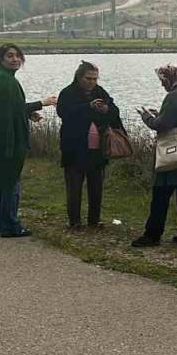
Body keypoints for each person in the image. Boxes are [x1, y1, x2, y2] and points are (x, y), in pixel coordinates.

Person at [0, 44, 57, 238]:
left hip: (0, 139)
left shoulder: (2, 78)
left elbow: (11, 108)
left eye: (18, 56)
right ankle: (10, 225)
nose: (15, 59)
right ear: (1, 58)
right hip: (8, 141)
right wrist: (41, 103)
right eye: (10, 56)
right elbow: (11, 109)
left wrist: (29, 113)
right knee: (11, 182)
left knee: (3, 181)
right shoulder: (4, 81)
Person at [132, 64, 177, 247]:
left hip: (172, 154)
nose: (162, 85)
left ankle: (152, 234)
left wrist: (147, 117)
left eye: (163, 80)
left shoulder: (175, 96)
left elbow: (162, 125)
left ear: (171, 79)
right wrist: (160, 115)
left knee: (160, 195)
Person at [55, 61, 124, 229]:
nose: (92, 82)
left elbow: (115, 112)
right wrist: (88, 107)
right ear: (79, 77)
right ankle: (74, 221)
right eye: (89, 78)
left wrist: (105, 110)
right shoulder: (67, 93)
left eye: (95, 79)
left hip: (97, 149)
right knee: (74, 186)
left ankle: (94, 220)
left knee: (96, 187)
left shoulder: (100, 92)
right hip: (74, 147)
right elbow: (63, 112)